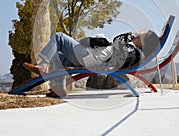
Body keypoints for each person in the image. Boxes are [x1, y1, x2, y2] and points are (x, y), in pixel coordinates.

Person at [23, 30, 160, 97]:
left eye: (143, 33)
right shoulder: (132, 47)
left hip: (91, 58)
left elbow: (117, 44)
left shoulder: (133, 52)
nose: (140, 31)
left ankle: (42, 65)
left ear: (144, 40)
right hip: (91, 57)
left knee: (59, 37)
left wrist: (128, 38)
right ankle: (60, 87)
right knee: (58, 56)